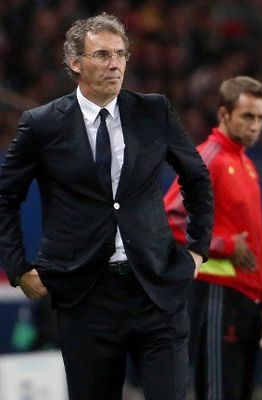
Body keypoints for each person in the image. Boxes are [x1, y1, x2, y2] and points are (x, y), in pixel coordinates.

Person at [0, 13, 213, 400]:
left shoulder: (154, 111)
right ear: (75, 63)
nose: (115, 64)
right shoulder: (42, 124)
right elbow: (4, 198)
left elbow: (197, 178)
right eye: (102, 54)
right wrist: (18, 267)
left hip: (157, 288)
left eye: (120, 54)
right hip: (85, 296)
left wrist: (198, 250)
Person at [164, 76, 262, 400]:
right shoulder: (209, 157)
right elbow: (171, 219)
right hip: (216, 293)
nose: (255, 126)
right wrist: (226, 246)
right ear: (224, 115)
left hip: (244, 299)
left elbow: (254, 241)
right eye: (247, 116)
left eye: (260, 118)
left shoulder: (246, 164)